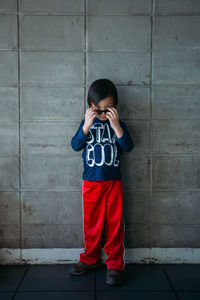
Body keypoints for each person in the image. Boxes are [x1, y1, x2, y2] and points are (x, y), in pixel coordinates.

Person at [70, 78, 134, 285]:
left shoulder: (118, 125)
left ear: (115, 106)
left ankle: (115, 264)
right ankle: (90, 259)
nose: (103, 112)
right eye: (98, 108)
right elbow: (75, 145)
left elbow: (128, 146)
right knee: (92, 224)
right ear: (91, 106)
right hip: (90, 182)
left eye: (108, 108)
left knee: (115, 224)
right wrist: (87, 125)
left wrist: (116, 125)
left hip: (113, 182)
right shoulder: (86, 123)